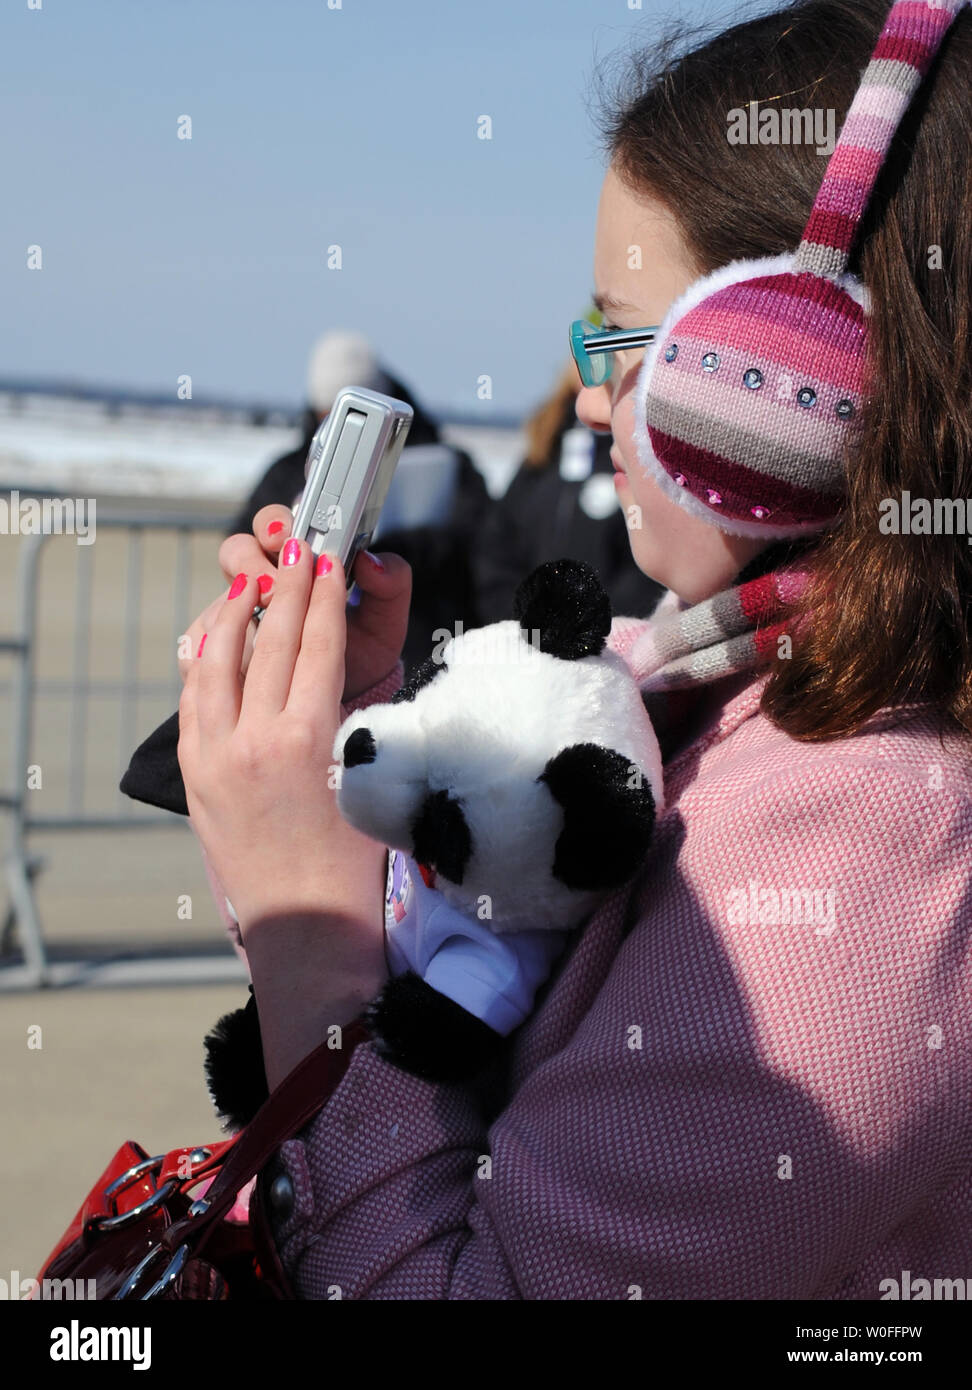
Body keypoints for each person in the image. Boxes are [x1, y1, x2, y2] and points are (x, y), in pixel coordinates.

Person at [173, 0, 972, 1297]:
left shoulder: (861, 841)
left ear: (803, 369)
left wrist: (308, 935)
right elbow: (485, 984)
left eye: (625, 335)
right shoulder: (711, 682)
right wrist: (362, 755)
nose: (590, 396)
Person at [230, 331, 490, 673]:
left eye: (360, 421)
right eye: (333, 416)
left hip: (430, 652)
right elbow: (240, 537)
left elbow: (488, 550)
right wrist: (266, 563)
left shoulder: (449, 467)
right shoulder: (289, 471)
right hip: (310, 663)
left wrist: (401, 549)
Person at [471, 362, 664, 623]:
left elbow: (651, 563)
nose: (594, 362)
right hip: (526, 639)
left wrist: (591, 627)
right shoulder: (544, 449)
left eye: (608, 344)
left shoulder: (636, 452)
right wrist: (521, 619)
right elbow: (499, 545)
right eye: (584, 350)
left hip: (610, 645)